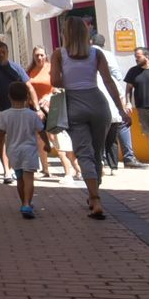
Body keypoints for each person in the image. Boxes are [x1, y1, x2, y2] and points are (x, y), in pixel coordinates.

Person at [51, 17, 130, 219]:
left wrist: (70, 79)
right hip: (98, 103)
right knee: (97, 152)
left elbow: (55, 81)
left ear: (66, 33)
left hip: (74, 104)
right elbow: (108, 81)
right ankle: (95, 193)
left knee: (84, 154)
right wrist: (121, 110)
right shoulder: (96, 53)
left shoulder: (59, 54)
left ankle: (94, 198)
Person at [91, 33, 146, 173]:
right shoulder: (108, 56)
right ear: (104, 44)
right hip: (113, 104)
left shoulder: (87, 57)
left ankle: (103, 162)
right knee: (114, 135)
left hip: (98, 108)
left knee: (101, 137)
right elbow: (117, 76)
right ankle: (123, 160)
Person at [0, 40, 38, 185]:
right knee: (2, 138)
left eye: (3, 52)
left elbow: (29, 86)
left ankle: (18, 167)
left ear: (7, 52)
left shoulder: (15, 67)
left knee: (19, 138)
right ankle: (7, 170)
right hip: (0, 109)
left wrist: (36, 107)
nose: (1, 54)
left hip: (19, 109)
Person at [0, 81, 44, 218]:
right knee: (29, 179)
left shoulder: (5, 115)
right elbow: (41, 130)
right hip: (29, 150)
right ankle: (27, 203)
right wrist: (47, 144)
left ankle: (24, 203)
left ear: (9, 97)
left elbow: (0, 133)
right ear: (27, 97)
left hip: (13, 151)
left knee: (20, 179)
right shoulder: (32, 115)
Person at [25, 46, 55, 179]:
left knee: (54, 137)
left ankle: (72, 169)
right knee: (39, 138)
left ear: (45, 55)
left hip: (50, 107)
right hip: (34, 108)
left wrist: (49, 97)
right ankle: (45, 169)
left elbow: (58, 86)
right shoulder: (29, 70)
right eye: (37, 55)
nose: (39, 57)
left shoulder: (51, 68)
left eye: (41, 55)